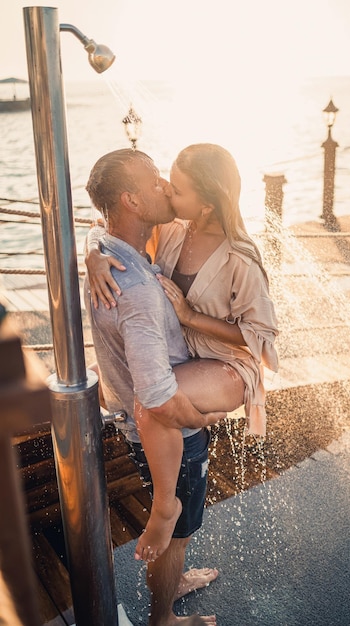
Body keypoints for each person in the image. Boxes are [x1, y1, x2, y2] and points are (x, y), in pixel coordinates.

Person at [85, 143, 279, 560]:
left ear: (207, 205)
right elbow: (107, 225)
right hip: (186, 361)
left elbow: (260, 337)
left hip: (228, 365)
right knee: (107, 379)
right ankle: (175, 558)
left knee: (150, 404)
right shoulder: (171, 230)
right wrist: (93, 255)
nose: (167, 191)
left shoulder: (240, 258)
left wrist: (191, 316)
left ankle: (163, 508)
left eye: (177, 188)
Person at [84, 148, 230, 626]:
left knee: (175, 532)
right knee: (178, 534)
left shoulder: (111, 251)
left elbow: (93, 228)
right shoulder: (140, 291)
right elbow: (160, 399)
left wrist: (90, 251)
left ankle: (175, 575)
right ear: (131, 200)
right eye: (154, 182)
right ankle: (163, 616)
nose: (165, 187)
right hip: (171, 437)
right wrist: (204, 417)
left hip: (137, 428)